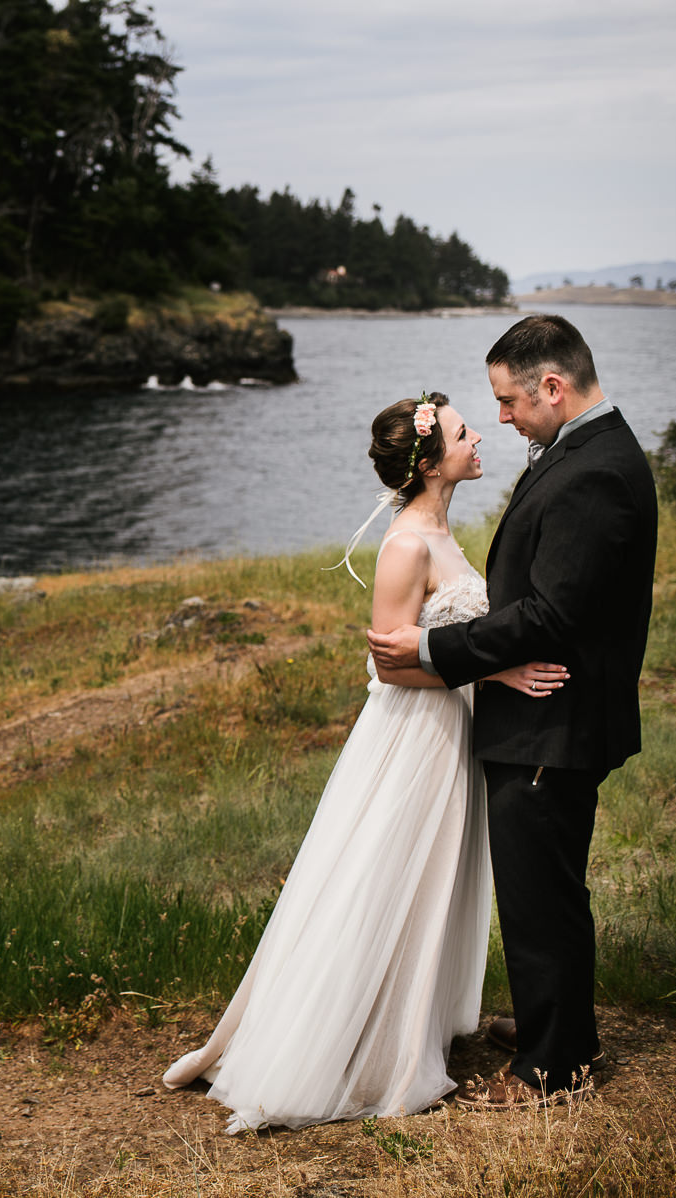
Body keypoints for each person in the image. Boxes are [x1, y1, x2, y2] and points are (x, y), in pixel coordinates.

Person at [161, 391, 569, 1134]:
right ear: (429, 460)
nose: (479, 435)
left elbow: (440, 637)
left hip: (450, 729)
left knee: (428, 881)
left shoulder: (442, 527)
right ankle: (336, 1045)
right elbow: (389, 666)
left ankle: (406, 1020)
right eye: (460, 432)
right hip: (414, 734)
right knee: (384, 874)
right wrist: (496, 673)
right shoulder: (408, 544)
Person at [368, 315, 658, 1110]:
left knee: (542, 896)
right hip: (549, 714)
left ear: (553, 388)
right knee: (543, 888)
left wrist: (431, 653)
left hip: (554, 719)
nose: (500, 417)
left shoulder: (594, 471)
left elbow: (549, 617)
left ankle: (551, 1068)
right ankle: (553, 1027)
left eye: (507, 402)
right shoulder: (583, 450)